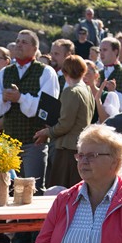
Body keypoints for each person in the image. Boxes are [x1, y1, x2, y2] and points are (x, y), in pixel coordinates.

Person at [0, 30, 60, 192]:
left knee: (33, 189)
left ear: (35, 48)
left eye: (24, 42)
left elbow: (47, 108)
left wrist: (20, 98)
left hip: (34, 141)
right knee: (11, 189)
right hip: (10, 142)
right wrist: (4, 98)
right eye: (18, 41)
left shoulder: (46, 72)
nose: (19, 44)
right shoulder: (5, 73)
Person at [34, 55, 94, 189]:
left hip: (68, 149)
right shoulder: (87, 90)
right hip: (80, 146)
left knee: (62, 190)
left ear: (65, 71)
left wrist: (47, 132)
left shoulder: (71, 91)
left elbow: (65, 124)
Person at [98, 37, 122, 112]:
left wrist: (114, 92)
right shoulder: (98, 74)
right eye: (100, 50)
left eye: (105, 50)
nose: (101, 53)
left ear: (115, 52)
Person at [83, 60, 119, 124]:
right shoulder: (77, 95)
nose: (84, 77)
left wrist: (98, 100)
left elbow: (107, 123)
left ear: (96, 75)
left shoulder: (107, 96)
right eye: (82, 74)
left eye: (87, 73)